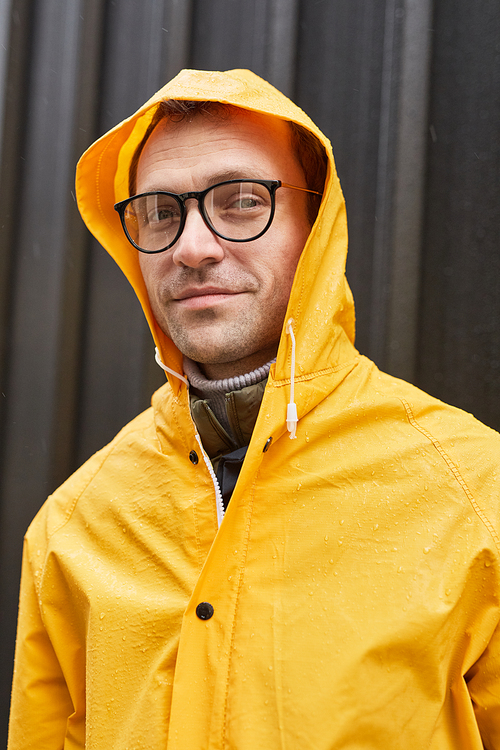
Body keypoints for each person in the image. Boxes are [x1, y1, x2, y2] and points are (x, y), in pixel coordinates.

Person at [8, 68, 500, 750]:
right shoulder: (73, 527)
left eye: (241, 201)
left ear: (316, 222)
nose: (193, 247)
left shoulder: (475, 494)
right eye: (159, 212)